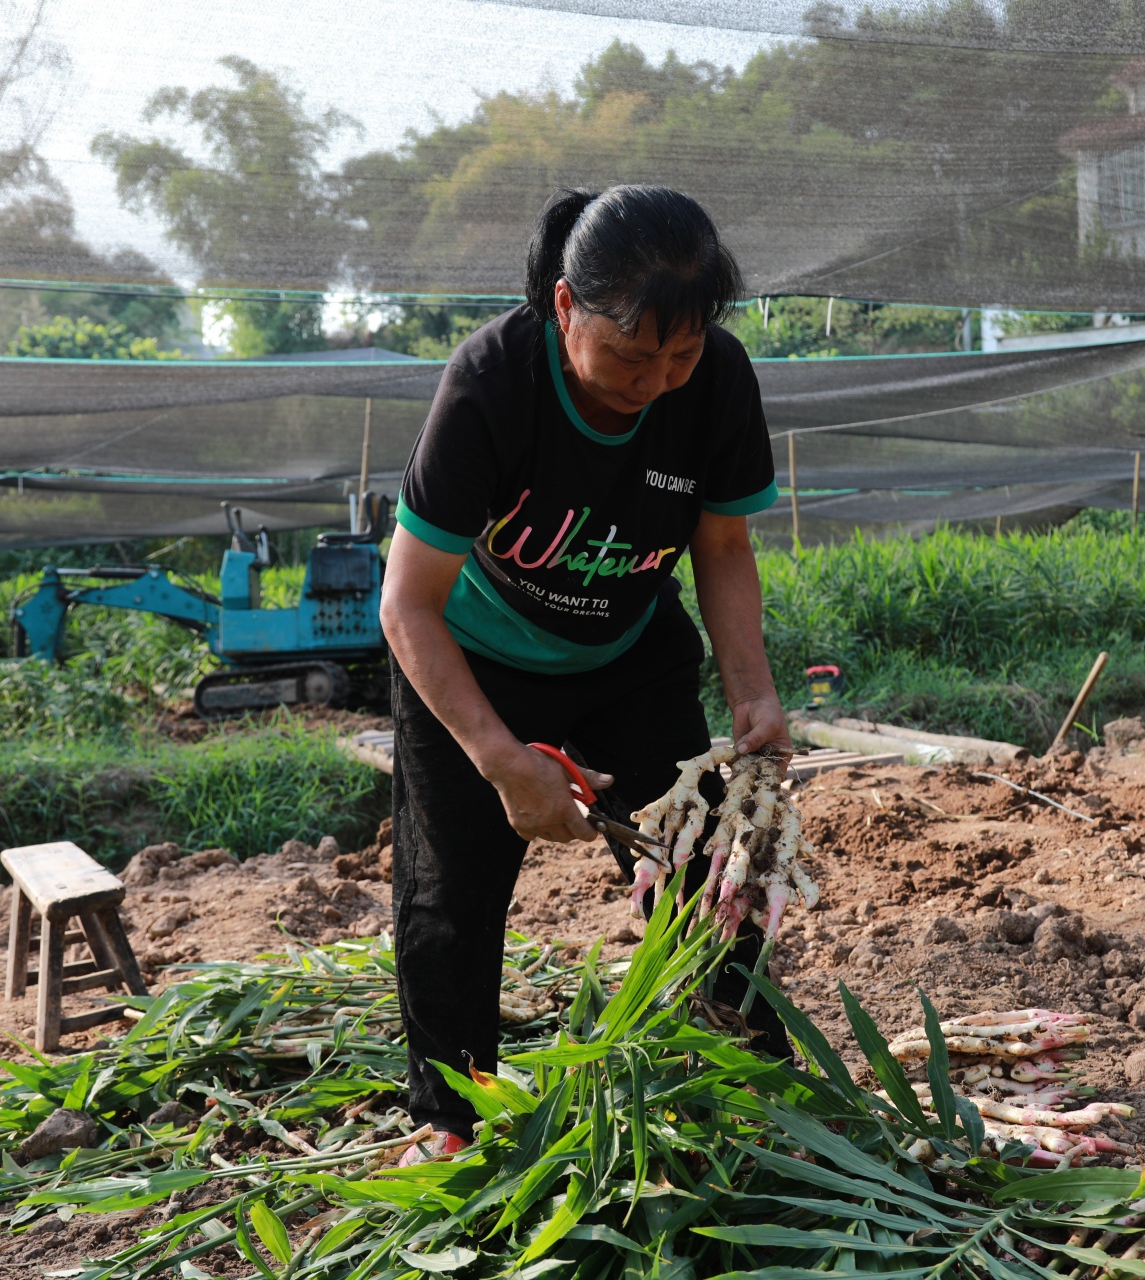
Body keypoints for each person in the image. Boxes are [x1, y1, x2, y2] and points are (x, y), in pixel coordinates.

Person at [380, 185, 792, 1164]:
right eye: (630, 356)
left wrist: (754, 693)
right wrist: (495, 752)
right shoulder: (492, 382)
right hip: (472, 658)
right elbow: (407, 603)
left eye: (679, 356)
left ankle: (744, 1072)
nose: (654, 384)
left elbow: (723, 547)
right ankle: (449, 1114)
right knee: (450, 893)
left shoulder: (718, 383)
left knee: (699, 867)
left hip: (629, 655)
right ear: (567, 308)